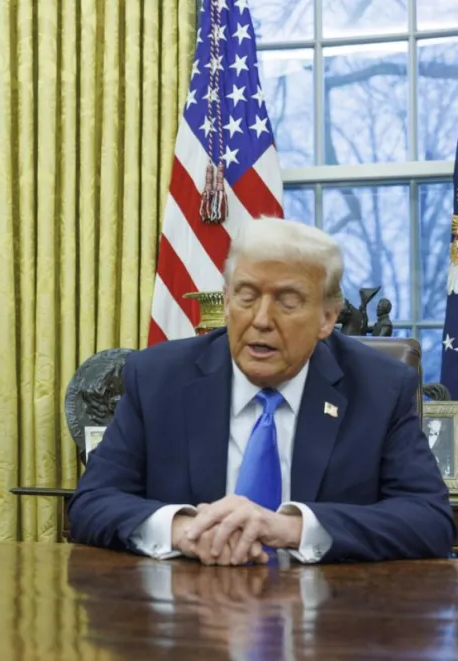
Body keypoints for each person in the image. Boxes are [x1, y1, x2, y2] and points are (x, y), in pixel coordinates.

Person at [68, 217, 455, 564]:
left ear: (327, 318)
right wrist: (185, 530)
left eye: (287, 302)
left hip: (329, 623)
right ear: (227, 298)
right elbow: (92, 503)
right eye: (247, 296)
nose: (261, 320)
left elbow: (430, 520)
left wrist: (287, 528)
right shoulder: (157, 378)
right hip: (186, 620)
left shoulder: (380, 388)